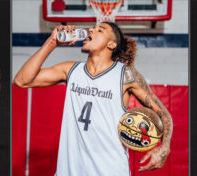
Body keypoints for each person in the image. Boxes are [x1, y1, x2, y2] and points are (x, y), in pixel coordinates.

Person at [14, 22, 173, 176]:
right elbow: (22, 80)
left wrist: (164, 147)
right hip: (69, 171)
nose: (91, 30)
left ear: (111, 45)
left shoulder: (126, 75)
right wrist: (52, 42)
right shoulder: (71, 69)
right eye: (93, 28)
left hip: (110, 170)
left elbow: (164, 114)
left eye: (100, 30)